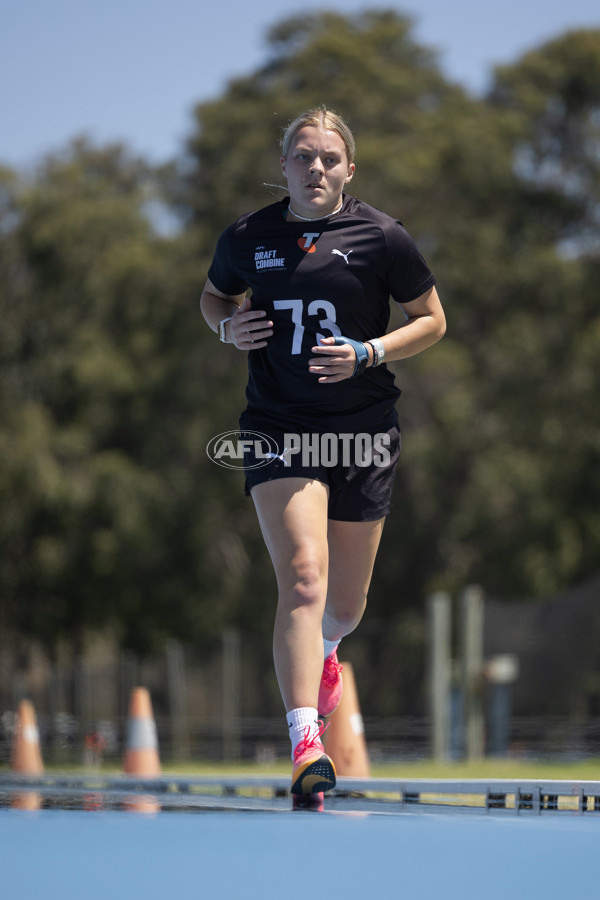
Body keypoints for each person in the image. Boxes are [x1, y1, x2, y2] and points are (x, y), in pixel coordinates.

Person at [200, 107, 446, 804]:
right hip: (279, 425)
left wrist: (369, 352)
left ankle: (329, 648)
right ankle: (306, 739)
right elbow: (214, 296)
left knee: (344, 605)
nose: (316, 169)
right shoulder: (248, 236)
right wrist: (227, 326)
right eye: (303, 157)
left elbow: (433, 320)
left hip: (362, 430)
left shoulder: (382, 237)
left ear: (349, 169)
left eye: (329, 159)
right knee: (303, 580)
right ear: (283, 166)